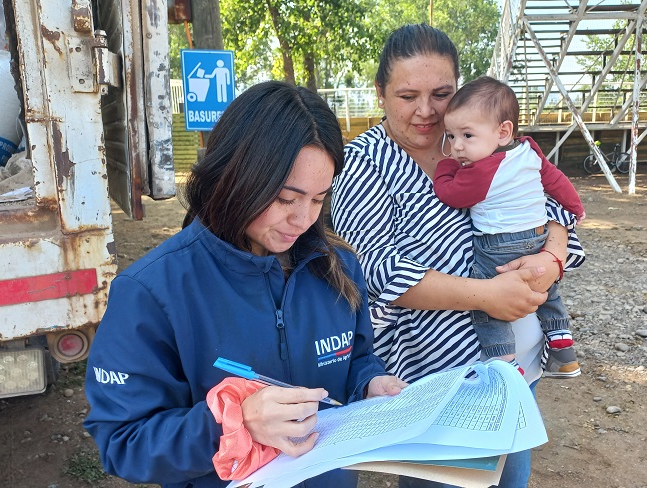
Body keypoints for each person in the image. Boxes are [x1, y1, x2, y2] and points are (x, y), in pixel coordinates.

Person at [84, 81, 406, 488]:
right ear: (237, 176)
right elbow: (122, 442)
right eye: (286, 199)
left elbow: (357, 360)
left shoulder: (338, 267)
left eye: (319, 199)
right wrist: (234, 423)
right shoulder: (152, 291)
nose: (303, 219)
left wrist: (369, 384)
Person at [330, 24, 584, 488]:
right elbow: (377, 270)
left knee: (511, 478)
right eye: (408, 95)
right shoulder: (364, 163)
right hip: (436, 383)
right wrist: (487, 296)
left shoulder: (483, 144)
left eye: (442, 93)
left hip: (518, 370)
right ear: (380, 93)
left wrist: (553, 259)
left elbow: (553, 214)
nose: (426, 112)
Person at [433, 75, 585, 378]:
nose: (457, 147)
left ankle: (503, 362)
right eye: (450, 136)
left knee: (487, 301)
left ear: (503, 132)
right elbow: (554, 180)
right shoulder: (529, 150)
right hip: (538, 236)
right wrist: (574, 207)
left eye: (467, 136)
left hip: (497, 243)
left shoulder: (481, 170)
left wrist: (445, 167)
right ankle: (562, 345)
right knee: (546, 288)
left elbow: (450, 194)